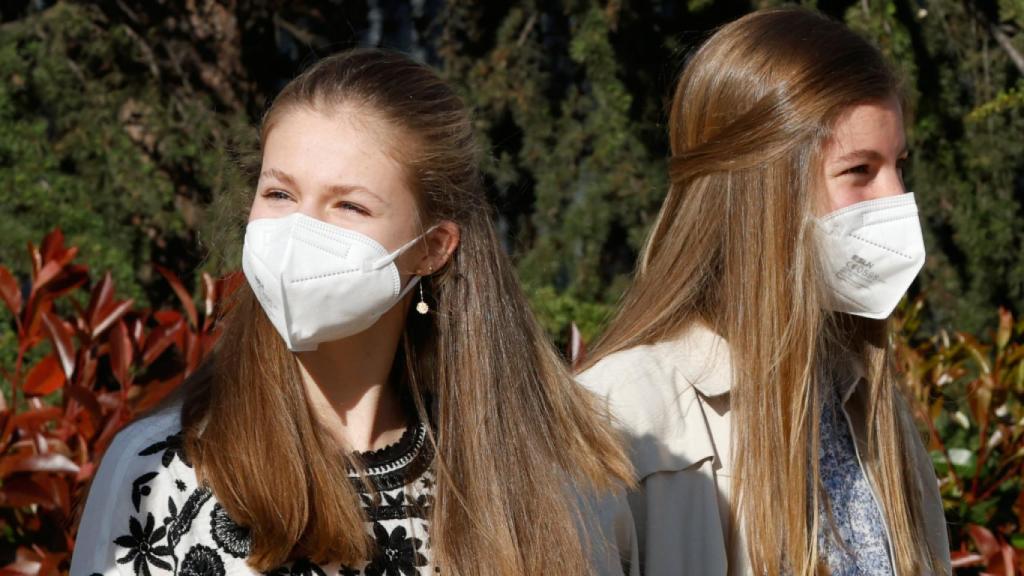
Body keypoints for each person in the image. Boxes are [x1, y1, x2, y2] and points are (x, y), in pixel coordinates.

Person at [72, 49, 633, 576]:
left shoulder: (530, 484)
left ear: (433, 247)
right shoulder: (161, 472)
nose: (299, 232)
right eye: (280, 195)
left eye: (350, 205)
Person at [578, 8, 952, 576]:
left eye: (899, 165)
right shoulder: (622, 413)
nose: (897, 199)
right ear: (759, 189)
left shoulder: (866, 397)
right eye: (859, 170)